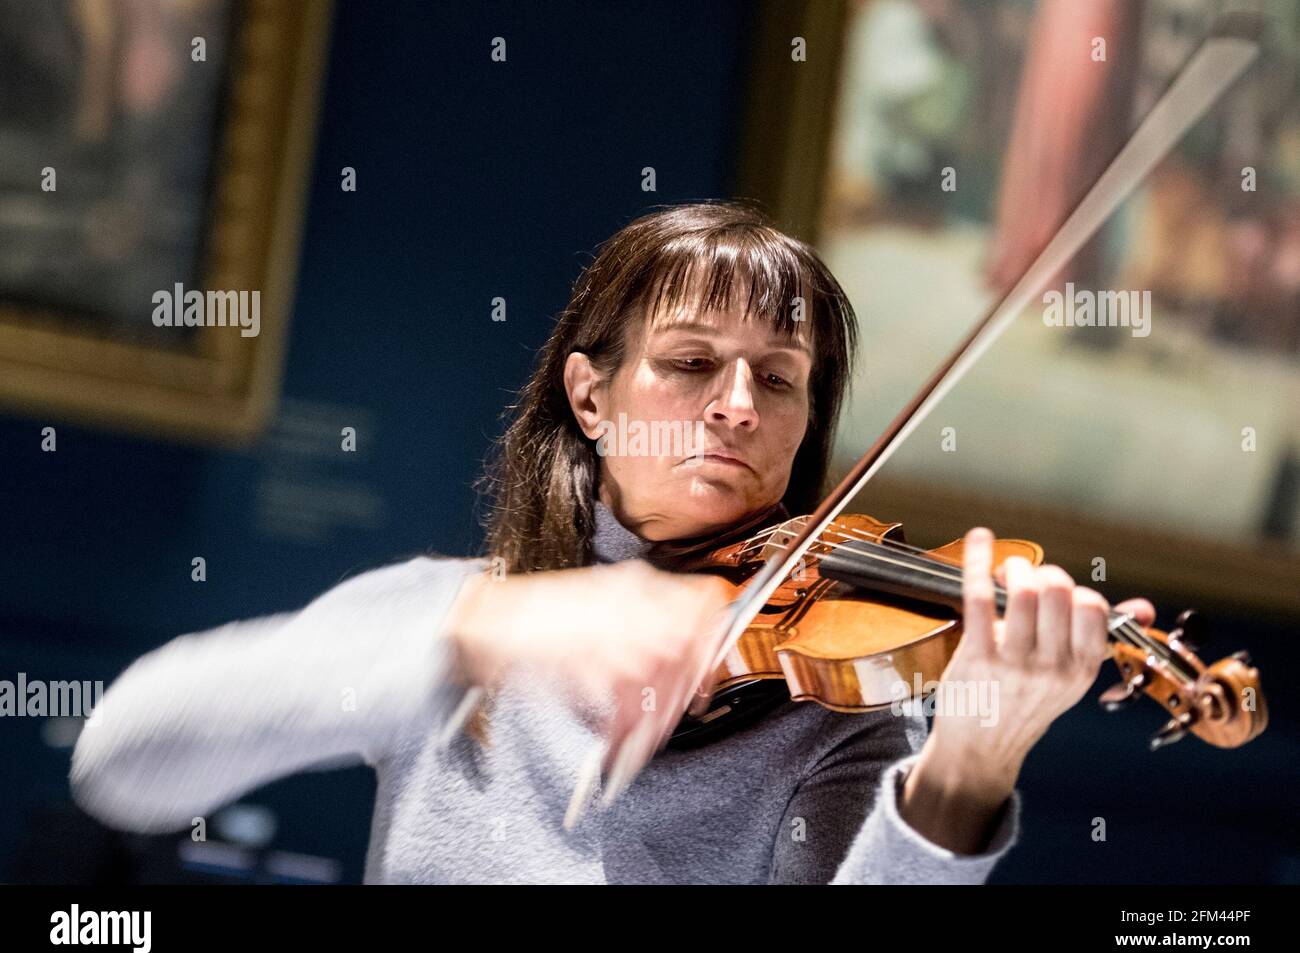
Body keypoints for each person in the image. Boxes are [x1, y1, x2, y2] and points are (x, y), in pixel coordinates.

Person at [70, 201, 1155, 883]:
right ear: (590, 395)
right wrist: (510, 622)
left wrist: (964, 770)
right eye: (690, 362)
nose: (737, 403)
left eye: (778, 378)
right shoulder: (456, 609)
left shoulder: (834, 716)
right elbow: (126, 760)